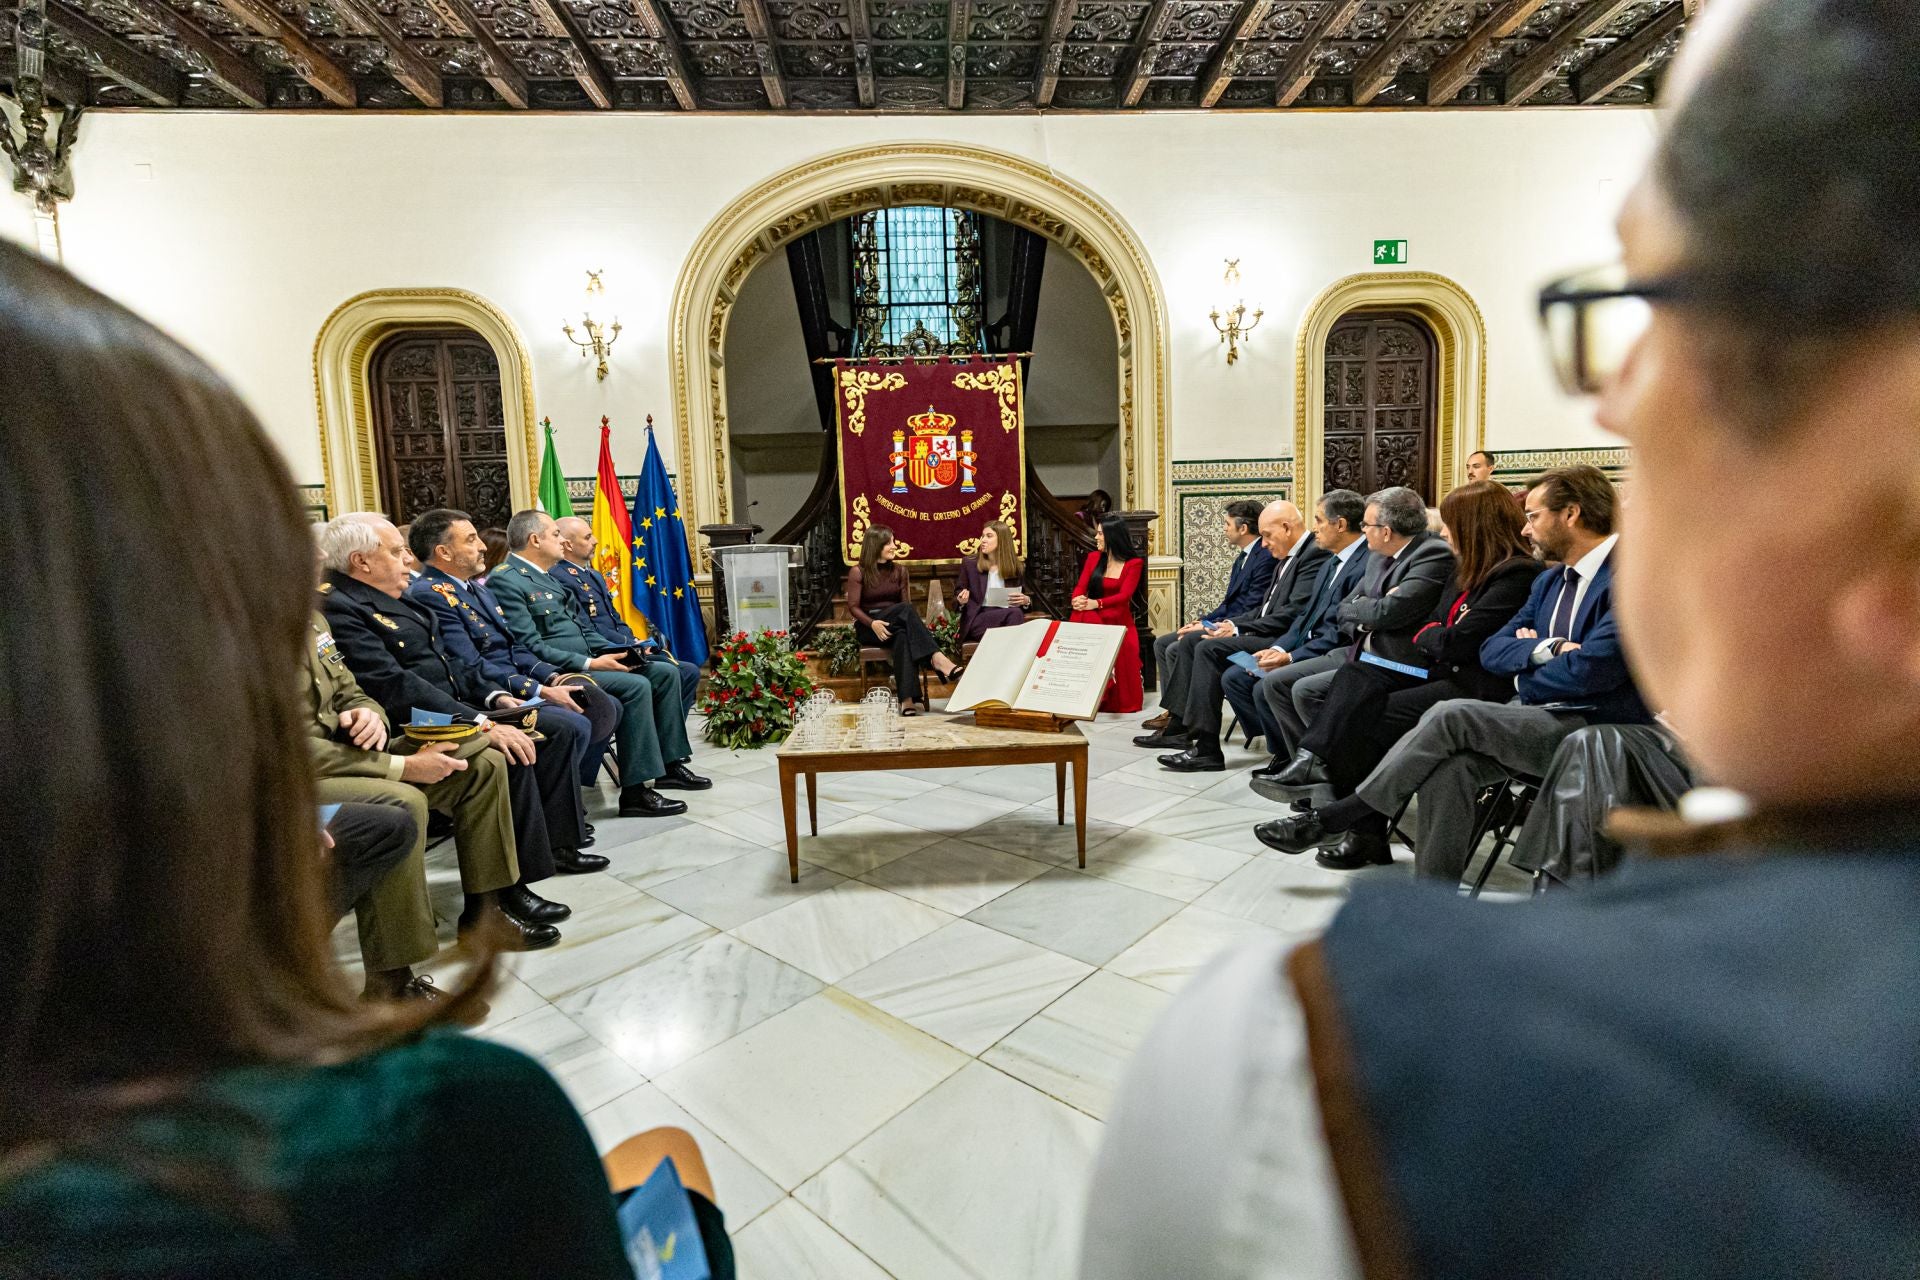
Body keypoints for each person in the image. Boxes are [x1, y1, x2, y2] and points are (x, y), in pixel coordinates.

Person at [1086, 5, 1920, 1274]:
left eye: (1656, 307)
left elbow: (1507, 646)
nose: (1614, 395)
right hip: (1519, 700)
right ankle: (1342, 802)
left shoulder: (1300, 1077)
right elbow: (1506, 638)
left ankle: (1344, 805)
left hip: (1553, 723)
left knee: (1384, 689)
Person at [0, 240, 692, 1275]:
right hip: (400, 747)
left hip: (398, 728)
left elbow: (371, 690)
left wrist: (453, 704)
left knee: (574, 709)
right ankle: (439, 934)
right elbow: (406, 686)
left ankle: (491, 896)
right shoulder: (444, 1134)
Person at [1257, 466, 1648, 876]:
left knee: (1447, 714)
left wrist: (1524, 663)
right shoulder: (1549, 582)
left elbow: (1590, 670)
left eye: (1533, 516)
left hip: (1594, 728)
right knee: (1446, 766)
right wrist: (1547, 649)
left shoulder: (1627, 577)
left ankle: (1334, 817)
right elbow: (1491, 649)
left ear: (1571, 514)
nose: (1525, 529)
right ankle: (1433, 892)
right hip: (1530, 710)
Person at [319, 514, 601, 920]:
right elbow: (394, 685)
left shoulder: (396, 595)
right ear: (361, 561)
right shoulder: (340, 606)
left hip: (449, 707)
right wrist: (481, 723)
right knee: (506, 753)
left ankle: (531, 869)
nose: (408, 560)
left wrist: (495, 697)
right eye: (396, 552)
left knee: (546, 730)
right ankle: (506, 891)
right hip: (410, 722)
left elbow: (451, 664)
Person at [1267, 482, 1542, 864]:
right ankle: (1314, 765)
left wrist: (1434, 634)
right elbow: (1429, 626)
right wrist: (1434, 634)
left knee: (1364, 719)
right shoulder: (1467, 568)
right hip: (1439, 670)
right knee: (1354, 675)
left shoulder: (1515, 574)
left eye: (1451, 525)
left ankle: (1351, 824)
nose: (1443, 534)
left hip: (1471, 684)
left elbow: (1454, 640)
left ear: (1475, 526)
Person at [307, 605, 559, 952]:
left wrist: (368, 714)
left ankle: (487, 913)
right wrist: (402, 766)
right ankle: (395, 972)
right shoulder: (244, 628)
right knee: (403, 803)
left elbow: (352, 691)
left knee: (482, 763)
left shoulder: (313, 618)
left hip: (352, 750)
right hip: (298, 776)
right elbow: (274, 745)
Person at [1208, 486, 1452, 782]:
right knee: (1253, 677)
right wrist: (1368, 613)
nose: (1363, 530)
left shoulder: (1430, 553)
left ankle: (1324, 768)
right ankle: (1307, 766)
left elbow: (1381, 613)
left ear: (1386, 531)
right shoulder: (1370, 557)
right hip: (1362, 650)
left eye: (1367, 524)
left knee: (1290, 686)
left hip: (1391, 660)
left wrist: (1368, 612)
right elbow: (1344, 610)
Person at [491, 510, 706, 815]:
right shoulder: (507, 579)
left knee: (663, 671)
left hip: (586, 660)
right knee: (636, 686)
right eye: (555, 534)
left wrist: (621, 651)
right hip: (559, 672)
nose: (561, 541)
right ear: (535, 540)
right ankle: (635, 792)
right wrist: (591, 664)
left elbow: (583, 630)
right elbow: (529, 646)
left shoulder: (545, 577)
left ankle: (668, 765)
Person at [1141, 496, 1345, 754]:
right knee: (1191, 643)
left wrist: (1237, 629)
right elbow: (1263, 608)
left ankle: (1198, 739)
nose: (1264, 543)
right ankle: (1186, 729)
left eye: (1267, 535)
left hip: (1280, 637)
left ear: (1286, 528)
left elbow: (1293, 613)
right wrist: (1228, 624)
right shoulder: (1286, 553)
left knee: (1203, 645)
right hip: (1266, 631)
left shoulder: (1313, 555)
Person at [1213, 493, 1374, 775]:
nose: (1315, 528)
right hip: (1303, 644)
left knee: (1267, 683)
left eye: (1319, 520)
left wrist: (1290, 656)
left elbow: (1338, 631)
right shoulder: (1331, 562)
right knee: (1237, 675)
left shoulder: (1363, 563)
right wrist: (1278, 649)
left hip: (1333, 651)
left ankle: (1302, 760)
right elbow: (1304, 618)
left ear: (1340, 525)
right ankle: (1285, 751)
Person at [1141, 499, 1276, 734]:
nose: (1224, 528)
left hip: (1244, 629)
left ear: (1243, 528)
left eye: (1227, 524)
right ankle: (1173, 711)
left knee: (1176, 647)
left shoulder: (1264, 557)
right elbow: (1228, 604)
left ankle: (1183, 717)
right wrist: (1203, 621)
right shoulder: (1243, 557)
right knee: (1162, 643)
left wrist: (1211, 626)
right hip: (1226, 623)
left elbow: (1251, 607)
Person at [551, 513, 704, 720]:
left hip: (622, 647)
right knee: (671, 671)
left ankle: (663, 733)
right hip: (603, 653)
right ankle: (659, 735)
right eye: (587, 537)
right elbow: (587, 628)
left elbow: (614, 618)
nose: (595, 541)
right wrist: (629, 644)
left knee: (688, 671)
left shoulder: (593, 575)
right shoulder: (559, 577)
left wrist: (634, 640)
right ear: (568, 545)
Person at [844, 525, 963, 714]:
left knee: (902, 635)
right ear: (876, 545)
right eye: (889, 543)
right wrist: (873, 623)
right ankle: (937, 659)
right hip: (869, 626)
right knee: (905, 612)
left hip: (895, 623)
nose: (894, 546)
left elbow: (905, 605)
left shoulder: (900, 570)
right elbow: (853, 607)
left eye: (893, 541)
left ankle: (907, 700)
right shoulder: (858, 572)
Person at [1068, 514, 1147, 715]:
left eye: (1100, 534)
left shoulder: (1134, 563)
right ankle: (1098, 682)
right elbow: (1080, 586)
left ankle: (1106, 683)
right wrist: (1077, 599)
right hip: (1094, 615)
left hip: (1118, 619)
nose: (1096, 537)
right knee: (1081, 615)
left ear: (1112, 536)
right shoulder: (1094, 558)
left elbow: (1124, 596)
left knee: (1085, 617)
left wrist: (1097, 603)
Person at [953, 519, 1032, 644]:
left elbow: (1023, 599)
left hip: (1006, 616)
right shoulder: (970, 563)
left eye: (989, 536)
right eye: (983, 536)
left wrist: (1026, 601)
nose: (983, 540)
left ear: (1002, 540)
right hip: (978, 618)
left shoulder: (1016, 567)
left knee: (1014, 617)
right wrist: (961, 601)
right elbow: (956, 600)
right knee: (1015, 614)